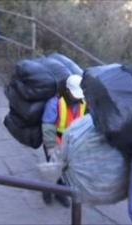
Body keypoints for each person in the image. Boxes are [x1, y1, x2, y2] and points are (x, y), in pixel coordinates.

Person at [41, 75, 87, 207]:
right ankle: (47, 191)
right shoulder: (55, 103)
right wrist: (50, 146)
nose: (77, 98)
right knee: (53, 168)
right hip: (55, 141)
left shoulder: (82, 103)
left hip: (71, 143)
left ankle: (60, 193)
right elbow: (48, 125)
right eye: (75, 95)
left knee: (66, 170)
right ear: (67, 91)